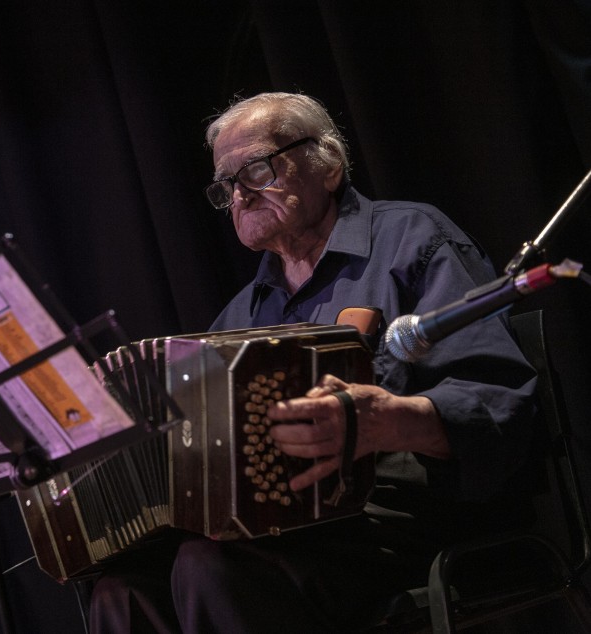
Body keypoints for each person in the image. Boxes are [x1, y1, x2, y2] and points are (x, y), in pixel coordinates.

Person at [88, 92, 538, 632]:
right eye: (226, 185)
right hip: (290, 529)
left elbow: (500, 399)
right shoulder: (238, 318)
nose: (239, 195)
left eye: (255, 168)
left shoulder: (410, 239)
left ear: (327, 165)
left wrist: (382, 421)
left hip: (409, 515)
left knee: (211, 565)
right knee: (121, 592)